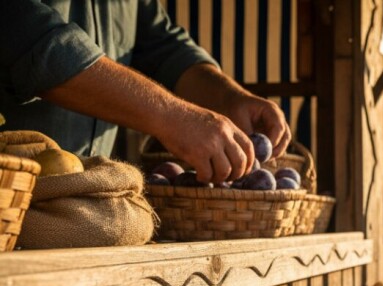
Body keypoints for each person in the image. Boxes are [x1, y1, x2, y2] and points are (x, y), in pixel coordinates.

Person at [1, 0, 291, 185]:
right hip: (9, 199)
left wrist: (229, 97)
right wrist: (174, 117)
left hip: (83, 208)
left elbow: (165, 48)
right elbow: (33, 40)